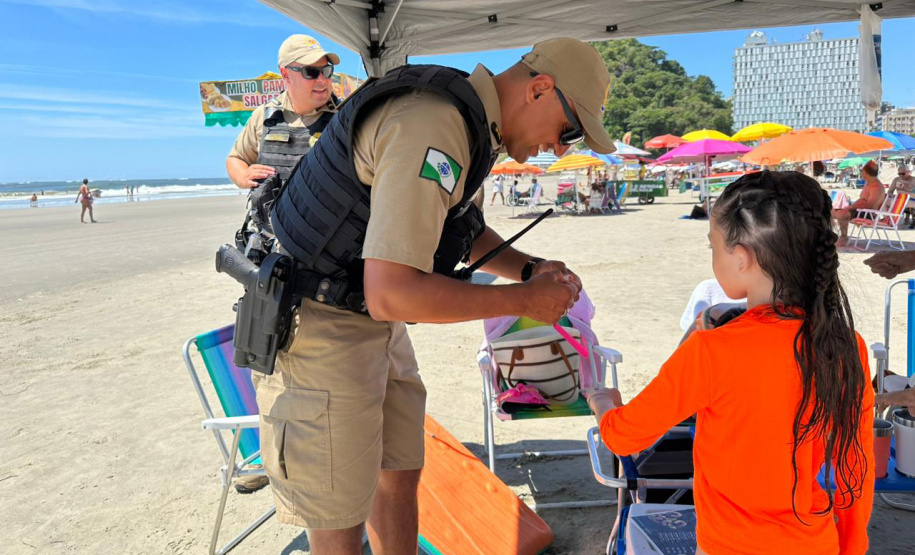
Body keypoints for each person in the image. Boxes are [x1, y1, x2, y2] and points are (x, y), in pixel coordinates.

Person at [261, 37, 614, 554]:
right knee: (339, 514)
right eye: (571, 130)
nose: (562, 148)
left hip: (370, 318)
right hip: (320, 323)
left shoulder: (471, 124)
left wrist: (529, 270)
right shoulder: (433, 122)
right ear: (540, 89)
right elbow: (394, 292)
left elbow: (462, 227)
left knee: (399, 472)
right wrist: (523, 302)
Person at [587, 170, 874, 555]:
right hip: (815, 542)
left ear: (742, 258)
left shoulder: (711, 351)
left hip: (729, 545)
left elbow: (624, 435)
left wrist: (603, 403)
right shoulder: (845, 344)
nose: (712, 257)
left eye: (713, 247)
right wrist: (852, 545)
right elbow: (857, 463)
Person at [226, 34, 340, 244]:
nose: (322, 80)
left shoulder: (343, 119)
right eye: (311, 72)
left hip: (325, 245)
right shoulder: (265, 116)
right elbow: (236, 158)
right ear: (286, 75)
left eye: (326, 70)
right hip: (270, 241)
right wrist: (243, 177)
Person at [832, 160, 885, 246]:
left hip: (868, 213)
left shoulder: (876, 187)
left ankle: (844, 237)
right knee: (830, 211)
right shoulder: (869, 184)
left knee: (842, 214)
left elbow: (869, 205)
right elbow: (863, 200)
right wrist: (851, 206)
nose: (861, 173)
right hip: (859, 210)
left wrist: (851, 207)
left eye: (862, 171)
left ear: (866, 173)